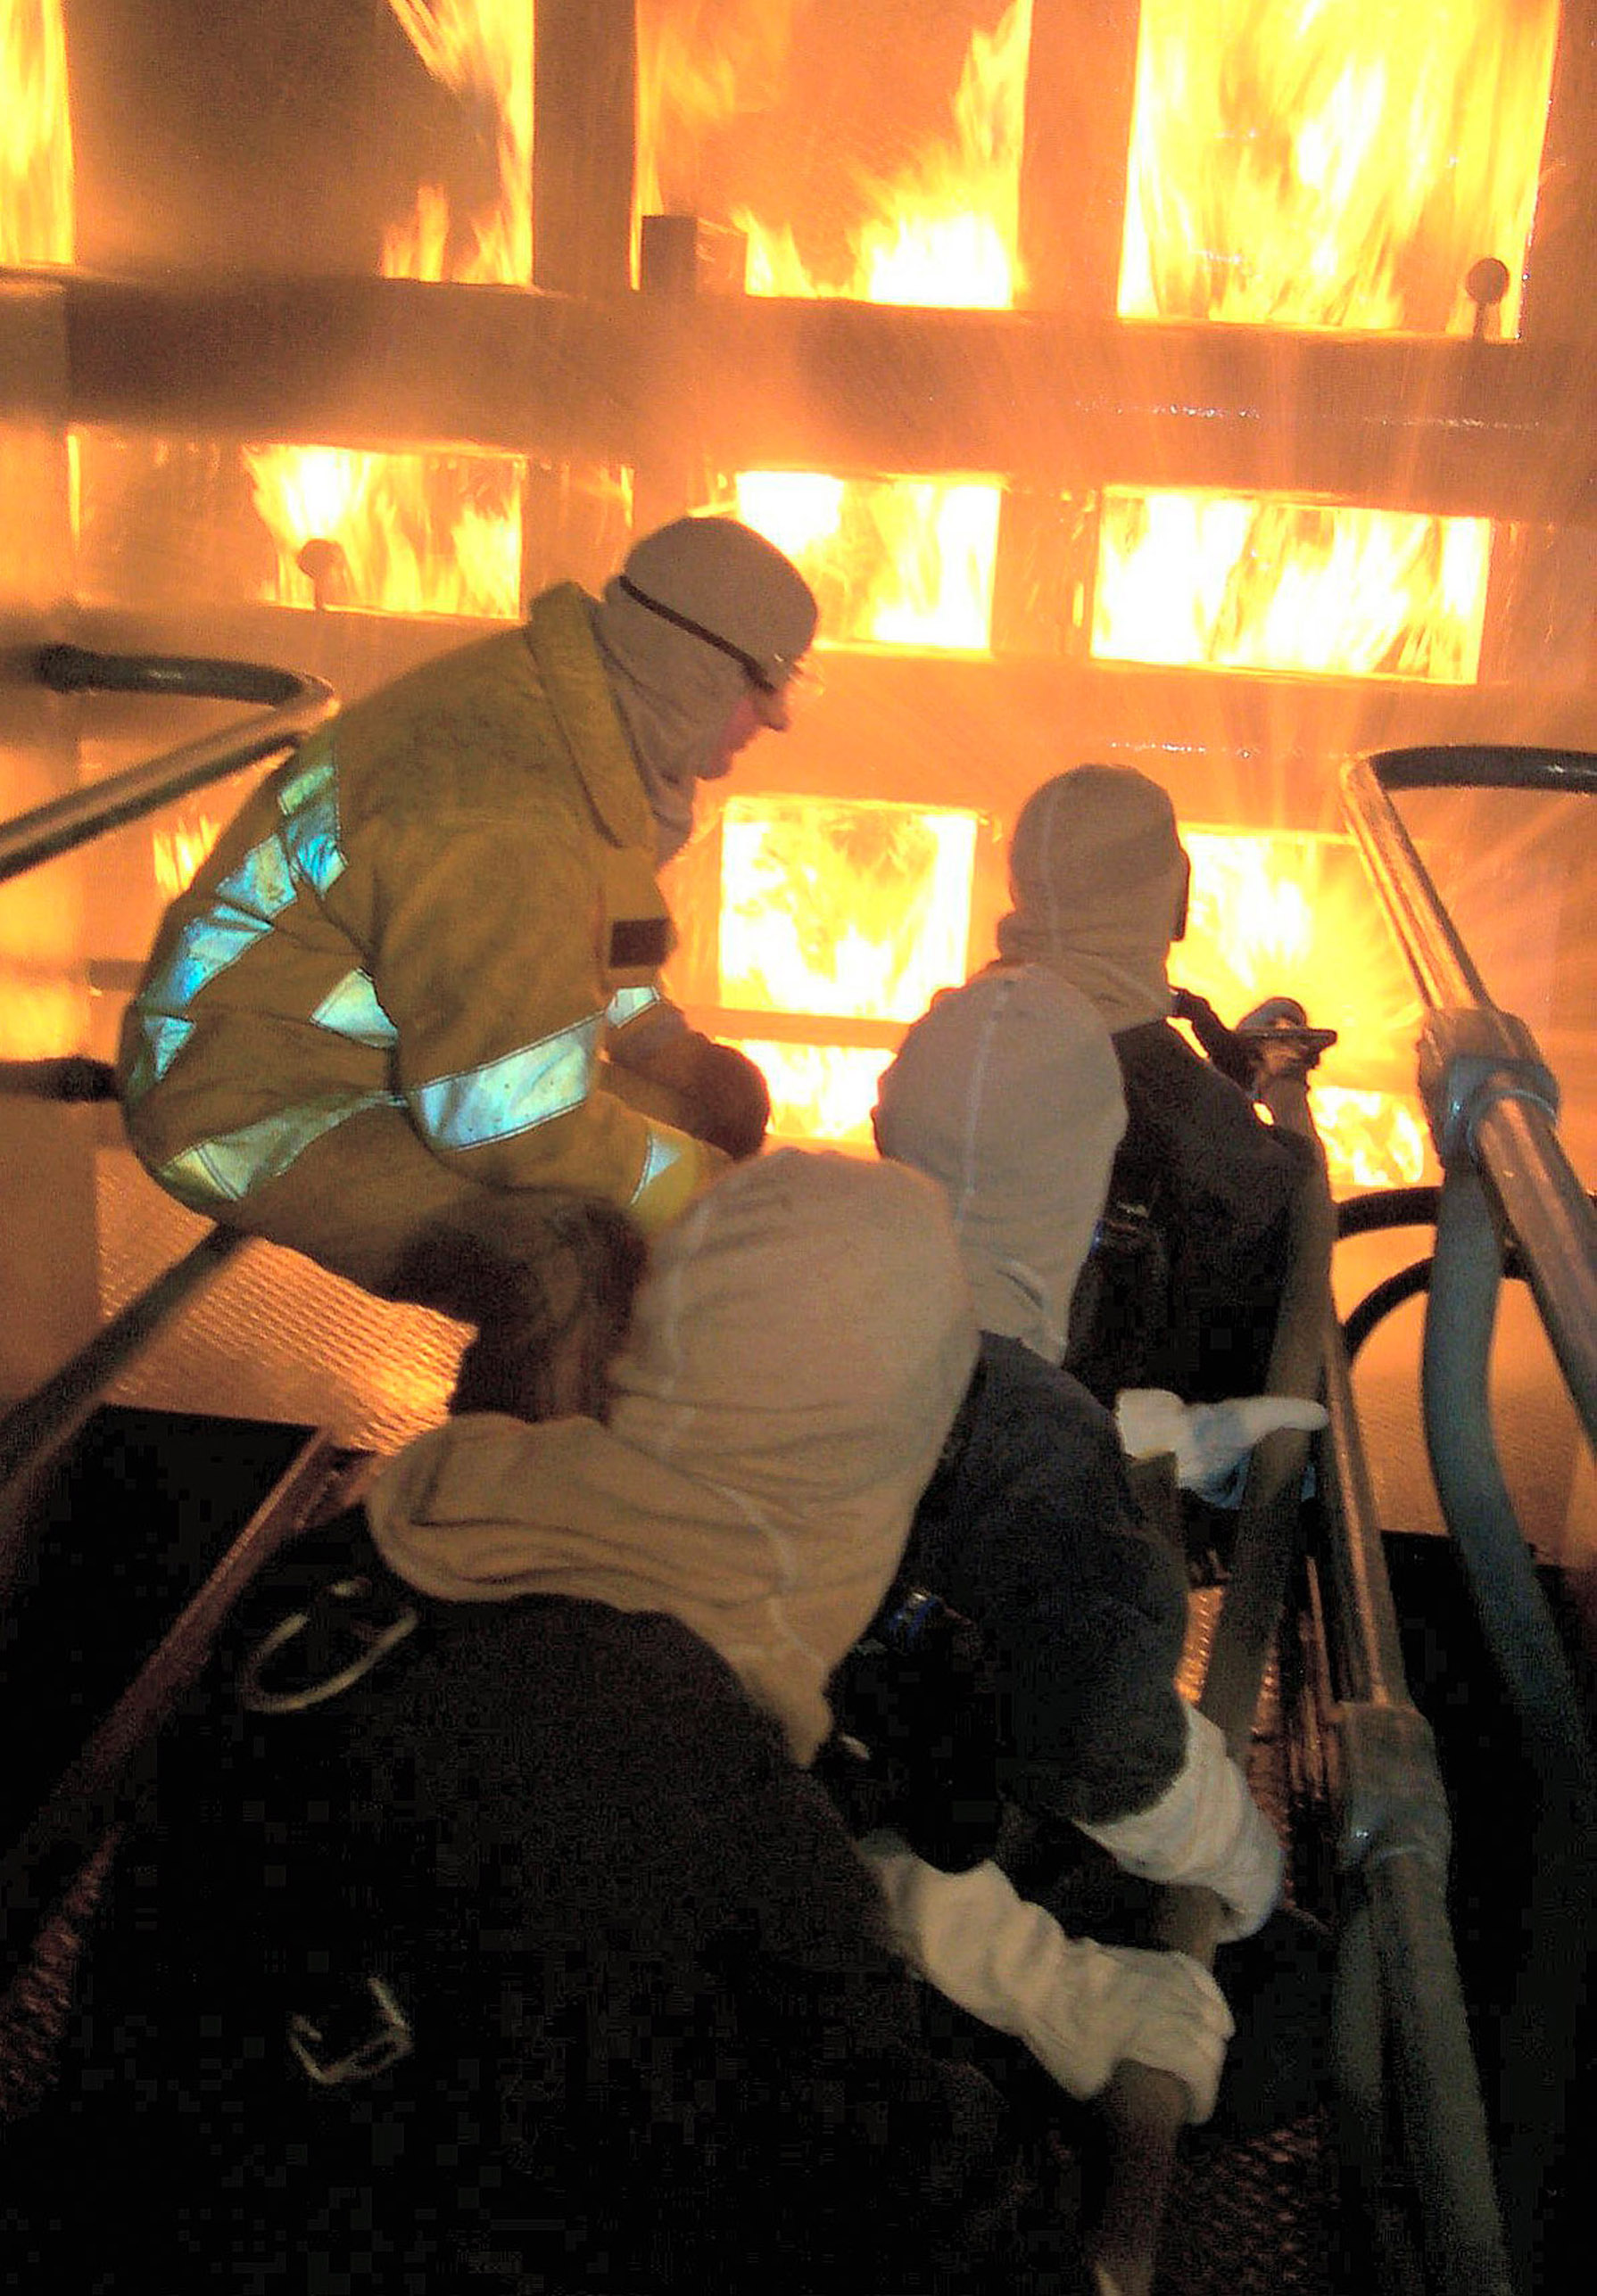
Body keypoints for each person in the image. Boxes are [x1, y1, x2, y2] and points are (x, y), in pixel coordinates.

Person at [10, 1160, 1100, 2294]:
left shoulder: (376, 1545)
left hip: (120, 2209)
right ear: (883, 1466)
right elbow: (930, 2214)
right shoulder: (697, 1802)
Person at [113, 513, 817, 1321]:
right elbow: (503, 1117)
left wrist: (667, 1050)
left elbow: (591, 937)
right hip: (248, 1096)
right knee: (561, 1274)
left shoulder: (576, 716)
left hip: (387, 1058)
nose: (779, 718)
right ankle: (519, 1451)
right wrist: (710, 1200)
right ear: (695, 672)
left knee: (715, 1117)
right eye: (768, 685)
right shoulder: (505, 813)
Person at [984, 764, 1316, 1405]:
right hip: (1110, 1431)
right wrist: (1277, 1097)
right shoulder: (1162, 1083)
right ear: (1171, 896)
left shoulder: (965, 1025)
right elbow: (1274, 1201)